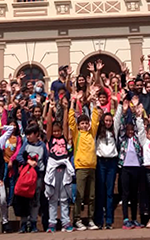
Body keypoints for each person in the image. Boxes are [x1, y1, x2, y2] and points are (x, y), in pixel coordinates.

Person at [68, 90, 100, 231]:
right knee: (79, 196)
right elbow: (71, 121)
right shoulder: (77, 134)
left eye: (86, 123)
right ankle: (77, 219)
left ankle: (91, 220)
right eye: (82, 123)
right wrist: (73, 102)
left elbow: (96, 119)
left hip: (92, 167)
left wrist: (93, 103)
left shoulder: (91, 132)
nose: (85, 125)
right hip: (80, 167)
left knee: (92, 196)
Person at [94, 96, 121, 229]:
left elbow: (118, 116)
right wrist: (95, 103)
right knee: (100, 191)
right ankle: (99, 220)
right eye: (107, 120)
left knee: (110, 192)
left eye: (110, 120)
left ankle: (109, 221)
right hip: (100, 162)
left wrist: (119, 103)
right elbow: (95, 119)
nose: (109, 122)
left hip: (112, 163)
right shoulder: (99, 131)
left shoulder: (114, 130)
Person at [45, 120, 74, 233]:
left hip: (64, 170)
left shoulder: (64, 139)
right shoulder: (50, 139)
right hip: (53, 171)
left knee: (64, 198)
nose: (56, 133)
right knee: (52, 198)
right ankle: (52, 223)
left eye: (58, 131)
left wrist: (66, 109)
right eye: (54, 131)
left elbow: (66, 125)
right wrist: (50, 107)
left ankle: (65, 222)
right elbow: (48, 127)